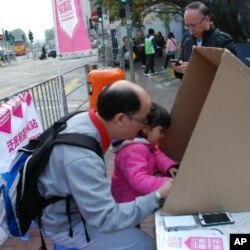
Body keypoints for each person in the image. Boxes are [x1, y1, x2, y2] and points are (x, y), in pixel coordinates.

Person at [37, 80, 173, 250]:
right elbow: (106, 218)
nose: (145, 126)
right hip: (65, 224)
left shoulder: (85, 119)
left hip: (74, 207)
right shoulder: (83, 158)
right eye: (143, 120)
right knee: (144, 244)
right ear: (121, 119)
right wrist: (158, 196)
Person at [111, 102, 178, 204]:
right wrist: (166, 183)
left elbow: (156, 153)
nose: (163, 135)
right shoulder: (134, 150)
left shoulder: (145, 144)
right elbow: (139, 180)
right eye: (161, 131)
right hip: (127, 202)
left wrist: (169, 167)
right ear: (146, 128)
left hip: (134, 197)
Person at [173, 1, 237, 79]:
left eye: (193, 25)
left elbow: (232, 73)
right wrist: (178, 70)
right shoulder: (187, 40)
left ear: (207, 19)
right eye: (187, 25)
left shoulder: (224, 41)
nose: (190, 30)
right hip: (192, 89)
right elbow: (182, 69)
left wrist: (196, 69)